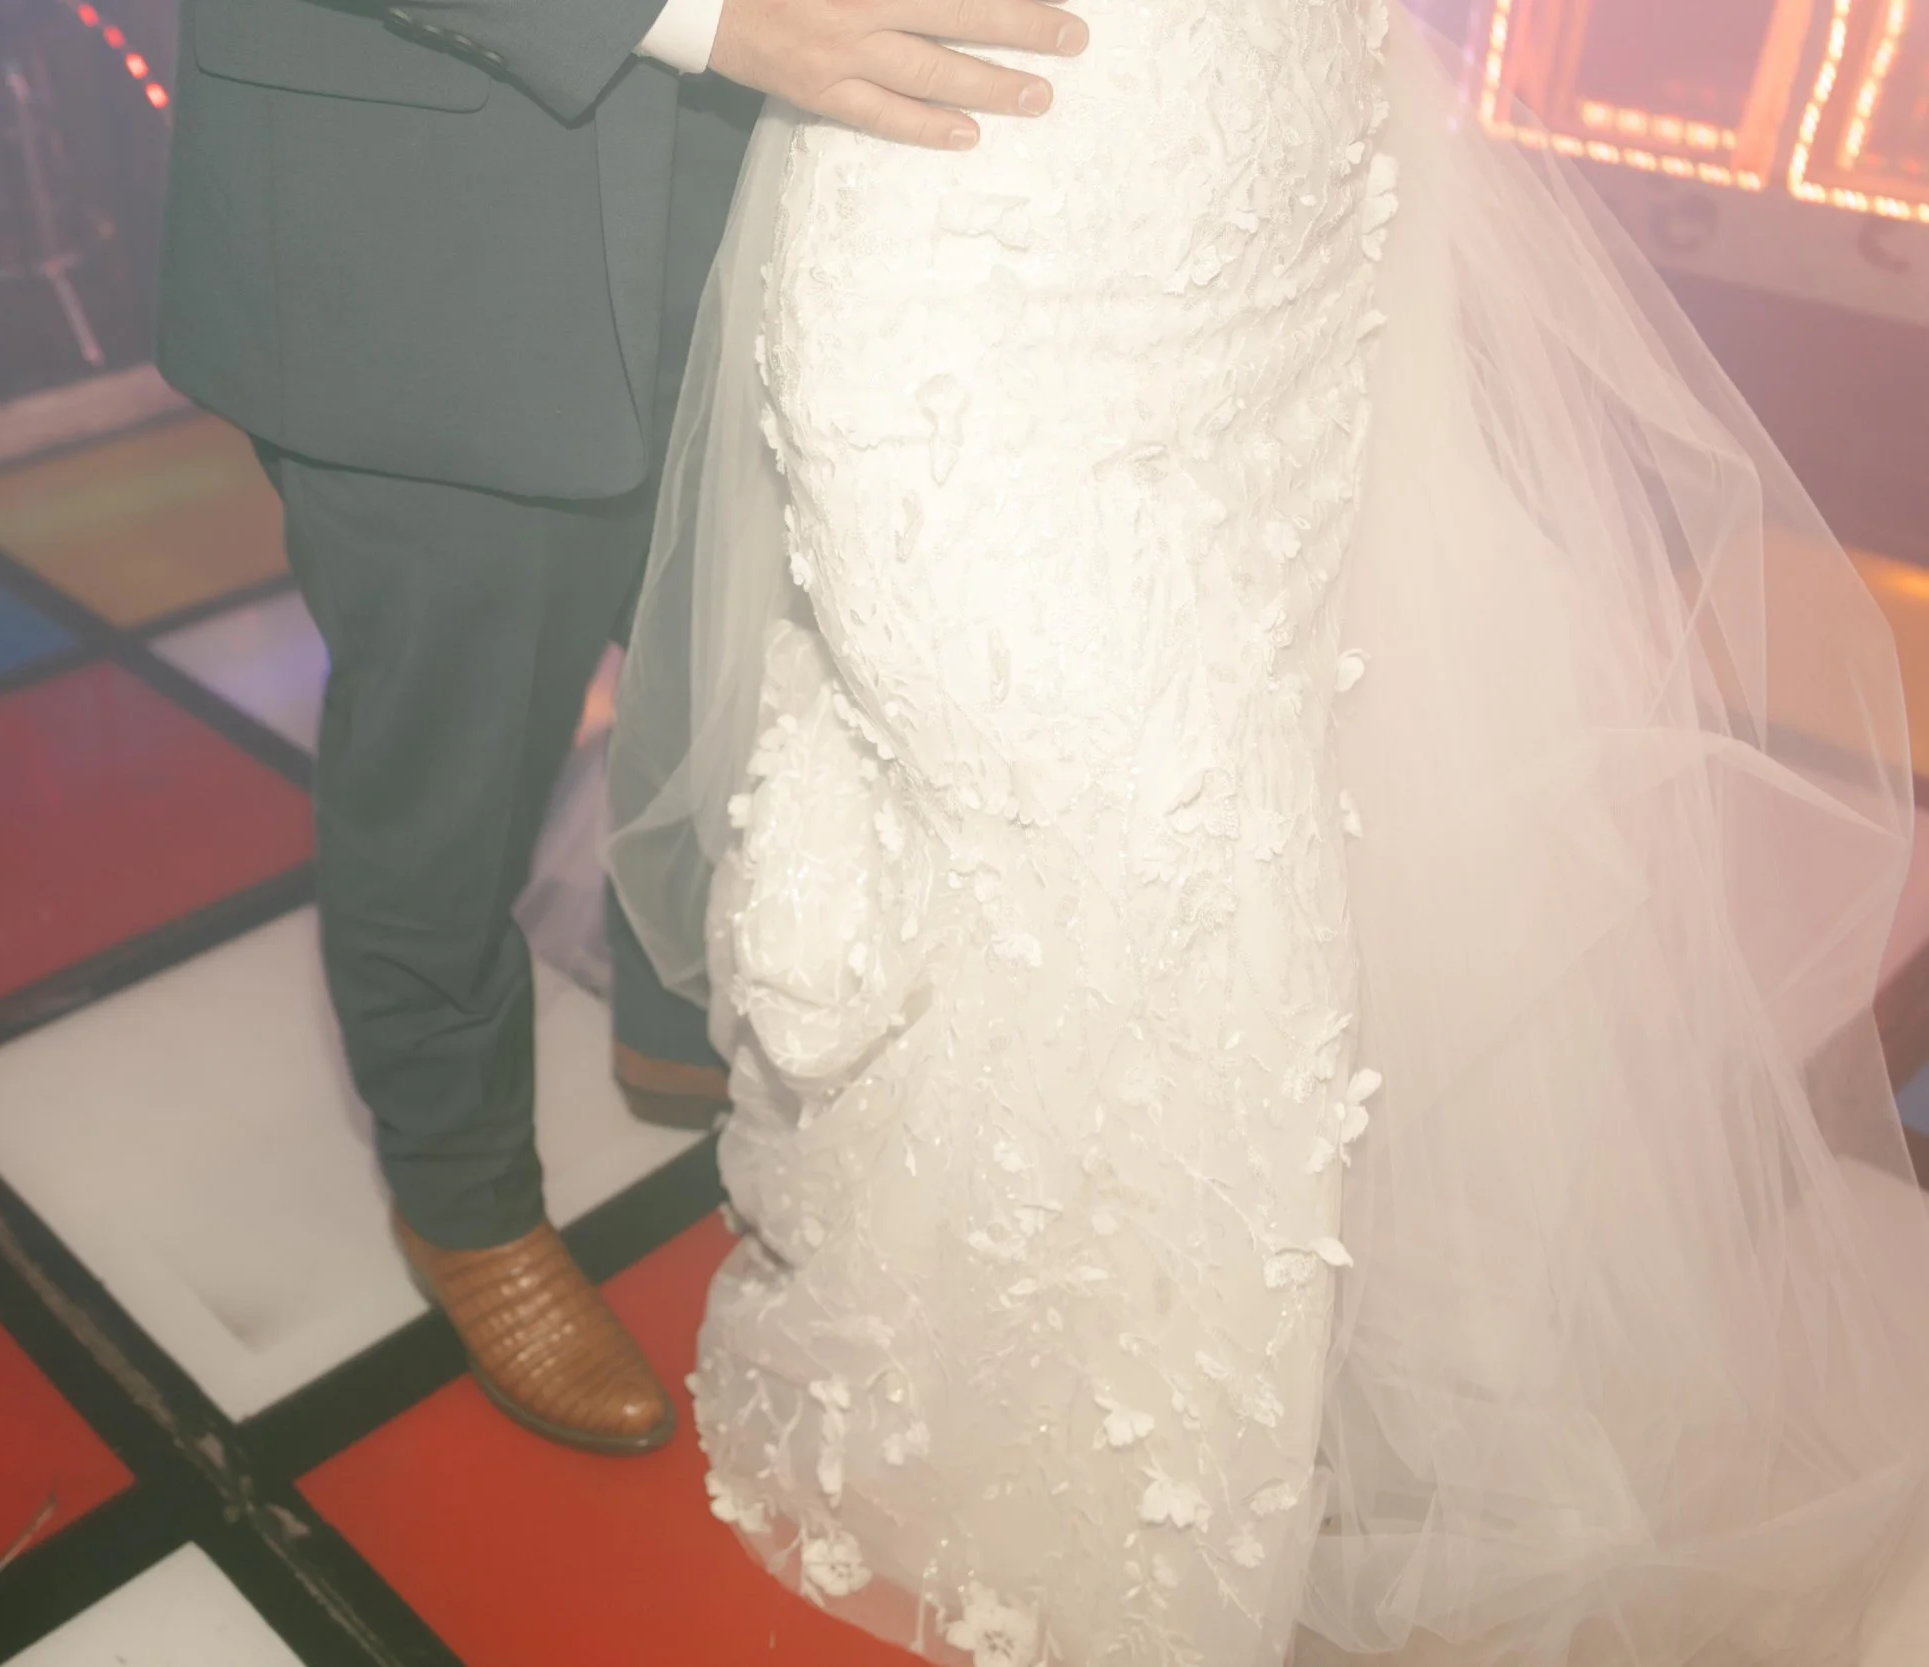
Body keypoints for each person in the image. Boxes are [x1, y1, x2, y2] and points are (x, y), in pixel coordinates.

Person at [606, 1, 1929, 1662]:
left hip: (1282, 196)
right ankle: (1084, 1490)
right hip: (985, 254)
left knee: (1218, 866)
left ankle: (1067, 1383)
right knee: (1172, 874)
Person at [154, 0, 1083, 1455]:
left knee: (739, 657)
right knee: (450, 755)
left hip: (762, 171)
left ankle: (679, 1015)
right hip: (424, 188)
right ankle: (461, 1191)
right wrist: (698, 19)